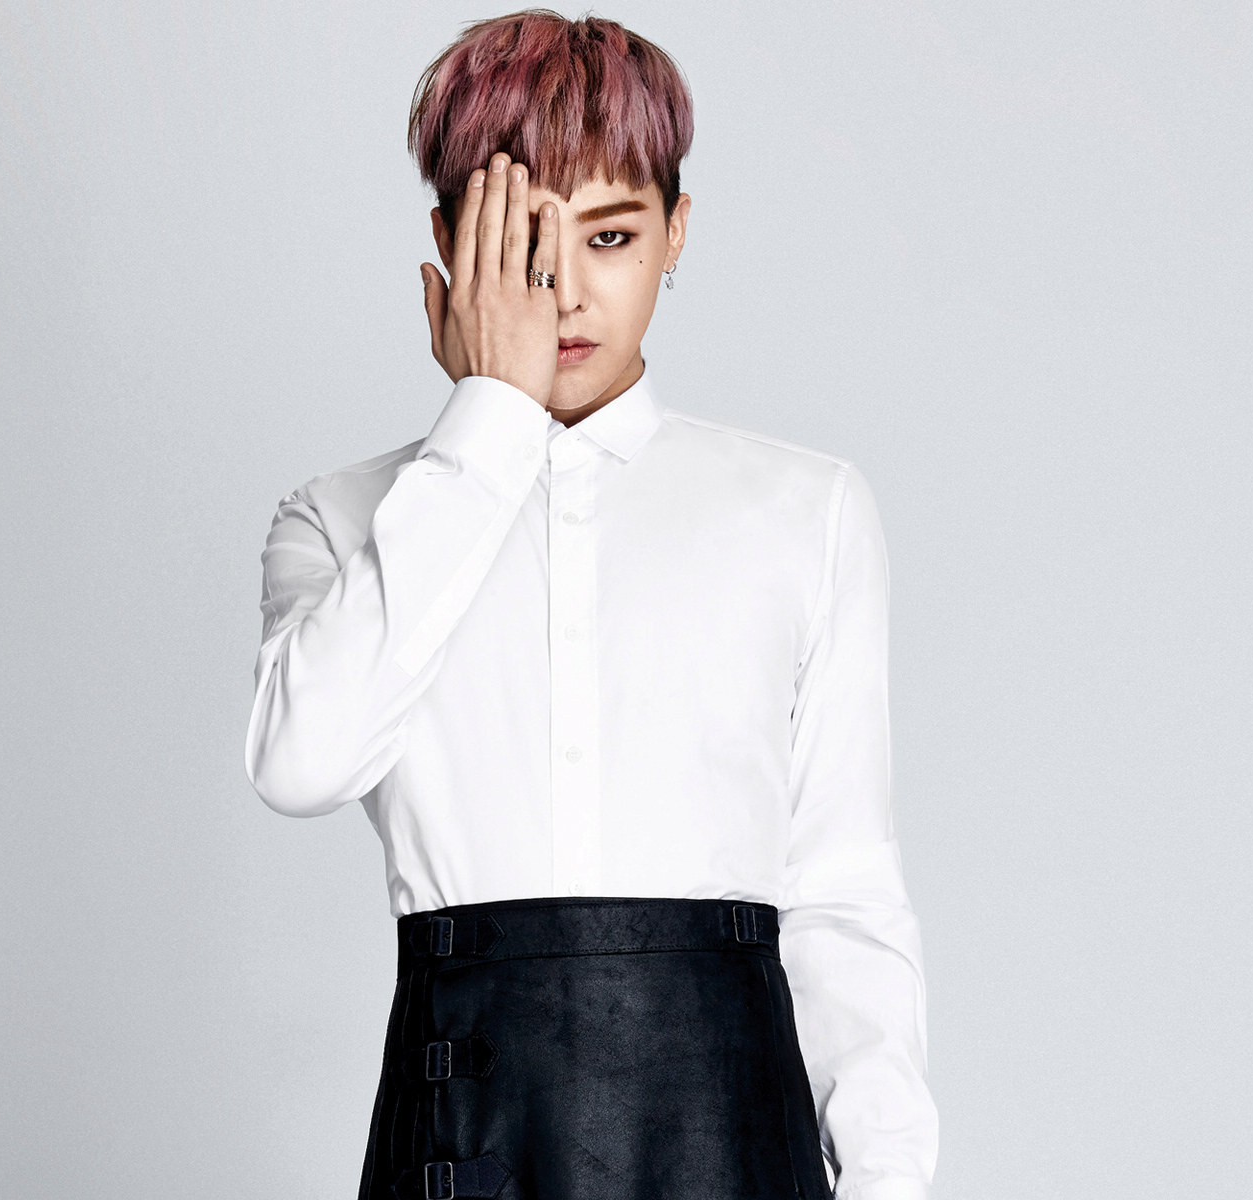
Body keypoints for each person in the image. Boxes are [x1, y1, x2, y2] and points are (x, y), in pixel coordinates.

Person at [244, 10, 937, 1199]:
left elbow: (841, 890)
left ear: (676, 233)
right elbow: (300, 765)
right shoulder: (345, 518)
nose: (565, 292)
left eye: (610, 236)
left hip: (733, 1147)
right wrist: (489, 423)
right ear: (449, 245)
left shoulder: (802, 511)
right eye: (522, 242)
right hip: (464, 1138)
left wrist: (888, 1178)